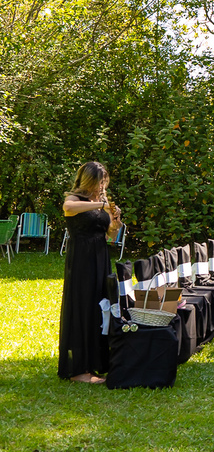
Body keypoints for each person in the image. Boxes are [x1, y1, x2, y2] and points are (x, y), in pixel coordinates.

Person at [58, 161, 122, 383]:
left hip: (100, 258)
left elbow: (110, 237)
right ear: (88, 181)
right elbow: (68, 209)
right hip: (82, 260)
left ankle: (96, 363)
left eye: (104, 182)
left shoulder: (100, 202)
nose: (102, 186)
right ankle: (78, 370)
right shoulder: (76, 200)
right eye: (99, 182)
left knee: (100, 309)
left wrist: (115, 223)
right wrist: (100, 207)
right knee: (83, 308)